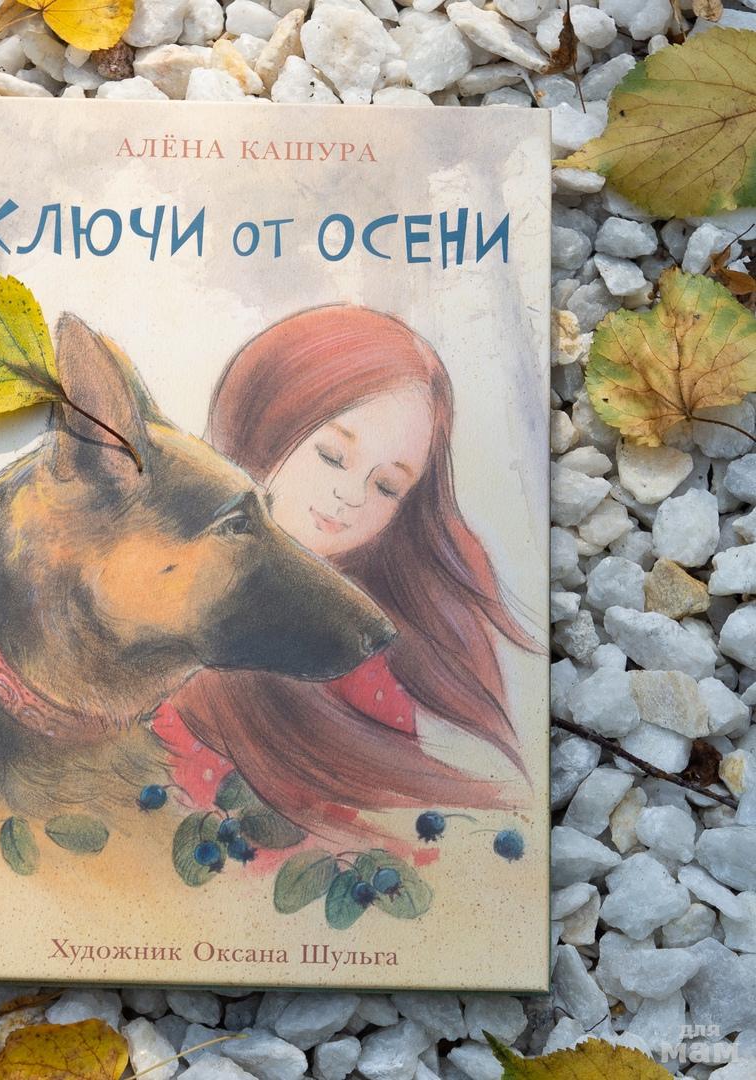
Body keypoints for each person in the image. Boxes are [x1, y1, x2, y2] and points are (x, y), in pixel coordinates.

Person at [150, 303, 542, 844]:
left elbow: (397, 841)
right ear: (262, 420)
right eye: (333, 456)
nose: (352, 496)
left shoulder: (364, 647)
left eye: (387, 487)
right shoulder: (161, 596)